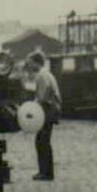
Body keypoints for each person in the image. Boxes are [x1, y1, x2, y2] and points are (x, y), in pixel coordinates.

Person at [27, 51, 62, 180]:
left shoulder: (42, 75)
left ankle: (45, 172)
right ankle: (47, 172)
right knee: (44, 140)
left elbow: (42, 96)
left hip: (47, 110)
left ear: (37, 63)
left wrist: (31, 107)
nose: (29, 66)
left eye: (30, 63)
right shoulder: (47, 73)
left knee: (41, 141)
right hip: (52, 110)